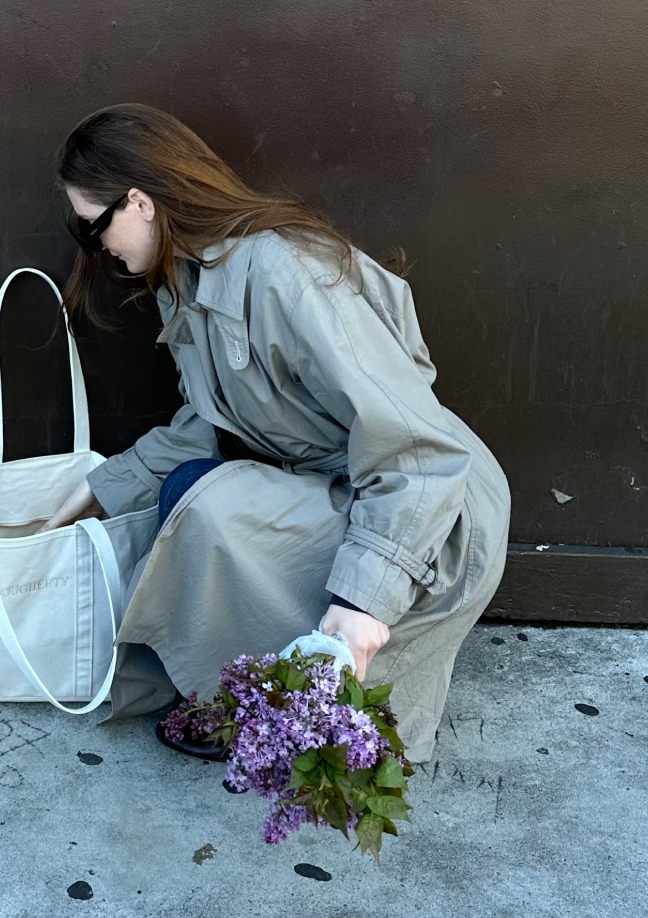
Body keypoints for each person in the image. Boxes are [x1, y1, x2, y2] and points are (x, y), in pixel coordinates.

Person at [39, 103, 509, 767]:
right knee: (188, 488)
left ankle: (253, 699)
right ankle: (244, 689)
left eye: (93, 228)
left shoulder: (287, 274)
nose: (96, 249)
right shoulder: (189, 275)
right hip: (352, 484)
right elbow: (213, 416)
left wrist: (363, 601)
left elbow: (415, 448)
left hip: (433, 512)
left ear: (139, 202)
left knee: (209, 505)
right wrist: (98, 491)